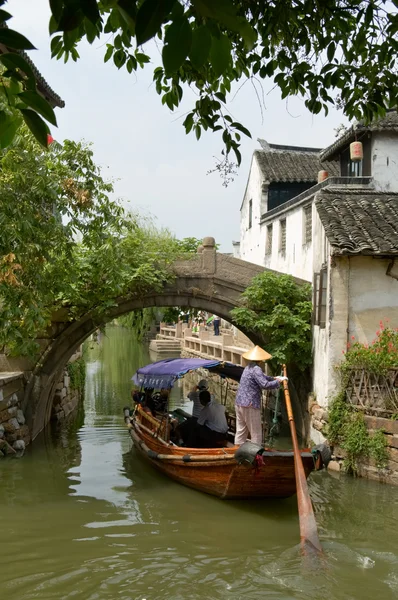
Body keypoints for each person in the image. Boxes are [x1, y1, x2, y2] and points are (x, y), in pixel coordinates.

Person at [234, 346, 286, 446]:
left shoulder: (248, 367)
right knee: (256, 433)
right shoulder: (256, 368)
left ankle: (236, 451)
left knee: (241, 431)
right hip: (250, 404)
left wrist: (274, 378)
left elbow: (263, 377)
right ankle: (255, 455)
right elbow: (264, 384)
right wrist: (278, 382)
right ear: (261, 360)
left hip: (239, 403)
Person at [176, 379, 209, 445]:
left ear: (198, 387)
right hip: (206, 420)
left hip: (195, 419)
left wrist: (194, 389)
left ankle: (181, 442)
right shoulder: (210, 396)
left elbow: (188, 396)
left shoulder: (195, 394)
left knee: (177, 429)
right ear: (207, 388)